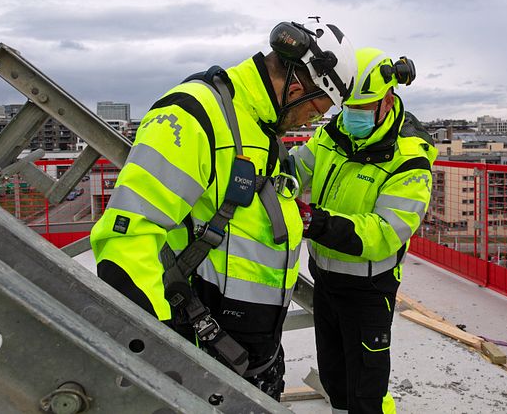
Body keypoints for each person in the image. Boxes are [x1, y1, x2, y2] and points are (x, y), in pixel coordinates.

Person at [90, 20, 356, 401]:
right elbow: (126, 242)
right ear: (298, 86)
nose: (311, 122)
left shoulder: (259, 129)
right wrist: (164, 367)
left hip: (244, 354)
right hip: (197, 359)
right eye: (316, 111)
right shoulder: (193, 116)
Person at [291, 47, 436, 413]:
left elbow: (384, 233)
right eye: (348, 107)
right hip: (325, 279)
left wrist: (315, 222)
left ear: (388, 99)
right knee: (335, 380)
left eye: (362, 108)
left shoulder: (409, 160)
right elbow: (298, 166)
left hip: (368, 291)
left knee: (366, 391)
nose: (352, 115)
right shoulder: (334, 135)